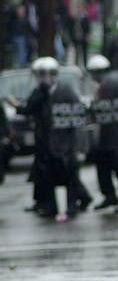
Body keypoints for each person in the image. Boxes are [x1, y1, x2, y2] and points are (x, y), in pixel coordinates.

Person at [8, 57, 89, 218]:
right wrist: (16, 105)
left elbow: (77, 115)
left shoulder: (66, 91)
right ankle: (49, 205)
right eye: (40, 75)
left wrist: (76, 143)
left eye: (46, 75)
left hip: (65, 141)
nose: (43, 79)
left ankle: (74, 203)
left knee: (70, 174)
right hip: (45, 142)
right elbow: (28, 109)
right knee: (47, 175)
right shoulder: (39, 92)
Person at [88, 54, 118, 213]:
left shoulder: (114, 85)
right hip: (102, 136)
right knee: (103, 169)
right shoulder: (96, 87)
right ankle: (109, 196)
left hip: (117, 136)